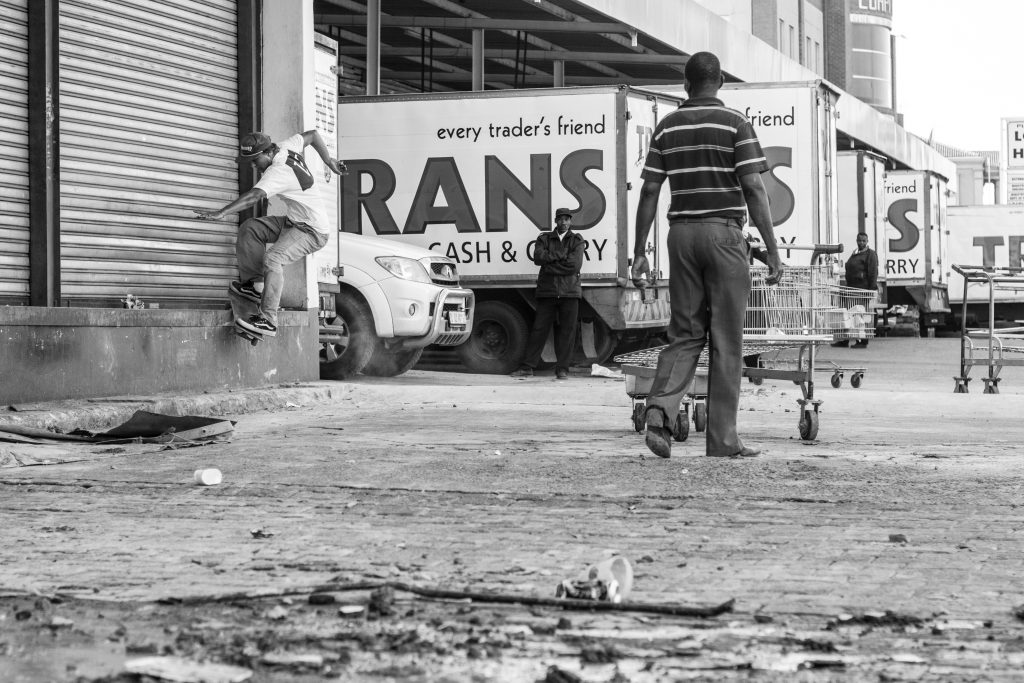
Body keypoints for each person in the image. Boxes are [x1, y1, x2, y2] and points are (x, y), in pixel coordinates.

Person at [630, 51, 783, 460]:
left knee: (685, 332)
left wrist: (639, 251)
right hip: (724, 236)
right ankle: (722, 440)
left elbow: (649, 191)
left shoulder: (666, 127)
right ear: (720, 82)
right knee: (726, 340)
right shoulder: (736, 124)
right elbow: (753, 188)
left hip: (680, 235)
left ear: (686, 84)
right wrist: (771, 249)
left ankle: (660, 413)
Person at [194, 131, 344, 338]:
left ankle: (268, 320)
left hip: (312, 231)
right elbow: (312, 136)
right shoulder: (286, 146)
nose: (254, 166)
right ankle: (256, 286)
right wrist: (329, 161)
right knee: (250, 228)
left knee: (274, 258)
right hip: (294, 222)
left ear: (266, 153)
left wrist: (221, 213)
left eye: (255, 161)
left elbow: (254, 196)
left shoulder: (279, 170)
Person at [510, 208, 586, 380]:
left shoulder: (577, 240)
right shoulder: (543, 238)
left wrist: (549, 264)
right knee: (539, 330)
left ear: (570, 221)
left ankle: (562, 370)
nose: (564, 222)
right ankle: (527, 367)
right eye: (561, 219)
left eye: (567, 219)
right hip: (548, 291)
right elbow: (538, 258)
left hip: (569, 292)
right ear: (556, 221)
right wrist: (561, 255)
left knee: (567, 332)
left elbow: (574, 266)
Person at [838, 232, 879, 348]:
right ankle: (844, 339)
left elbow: (873, 273)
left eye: (864, 241)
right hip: (852, 289)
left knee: (860, 316)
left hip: (862, 290)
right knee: (848, 315)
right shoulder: (855, 253)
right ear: (856, 240)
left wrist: (871, 290)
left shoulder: (870, 254)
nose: (861, 242)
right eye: (859, 240)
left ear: (867, 241)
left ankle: (862, 341)